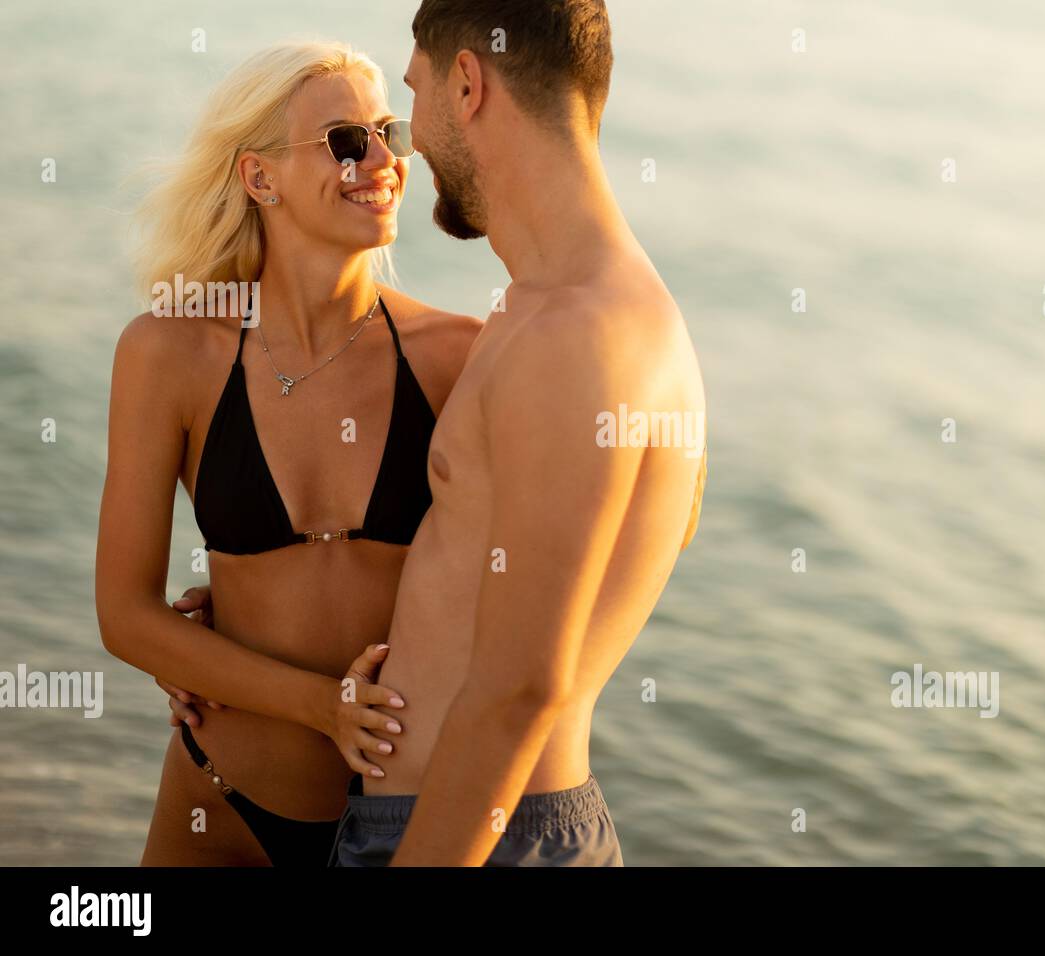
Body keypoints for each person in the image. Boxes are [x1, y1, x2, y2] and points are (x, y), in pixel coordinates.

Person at [327, 0, 708, 867]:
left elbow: (519, 692)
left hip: (481, 843)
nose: (409, 143)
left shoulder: (575, 338)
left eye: (415, 94)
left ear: (468, 83)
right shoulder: (564, 312)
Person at [94, 40, 481, 866]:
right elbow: (125, 615)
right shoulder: (168, 354)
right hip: (220, 806)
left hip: (402, 826)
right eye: (345, 140)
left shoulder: (457, 357)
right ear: (258, 178)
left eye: (388, 132)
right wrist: (319, 704)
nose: (380, 160)